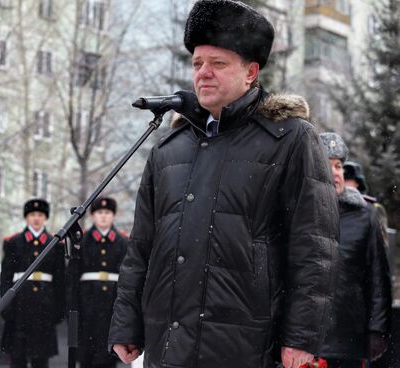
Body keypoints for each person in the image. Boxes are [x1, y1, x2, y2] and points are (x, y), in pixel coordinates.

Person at [107, 1, 339, 368]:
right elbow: (141, 248)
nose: (203, 74)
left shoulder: (290, 138)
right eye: (197, 64)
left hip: (248, 343)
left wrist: (302, 336)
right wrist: (126, 323)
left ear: (251, 72)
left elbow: (315, 248)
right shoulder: (169, 148)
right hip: (170, 344)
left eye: (218, 64)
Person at [318, 133, 392, 368]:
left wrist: (377, 329)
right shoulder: (295, 210)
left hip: (348, 338)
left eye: (339, 166)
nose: (336, 173)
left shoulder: (365, 215)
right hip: (304, 340)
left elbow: (378, 277)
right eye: (327, 165)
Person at [0, 199, 65, 368]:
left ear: (46, 218)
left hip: (45, 308)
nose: (36, 218)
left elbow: (60, 280)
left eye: (40, 215)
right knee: (17, 359)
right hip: (18, 307)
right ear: (26, 218)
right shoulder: (13, 242)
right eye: (32, 214)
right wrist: (5, 305)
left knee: (41, 360)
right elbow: (6, 277)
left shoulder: (55, 244)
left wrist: (59, 309)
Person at [76, 197, 128, 368]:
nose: (104, 216)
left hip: (112, 306)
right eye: (100, 213)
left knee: (108, 356)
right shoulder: (82, 241)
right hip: (87, 303)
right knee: (86, 355)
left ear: (113, 216)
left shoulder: (123, 242)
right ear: (92, 216)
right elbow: (73, 276)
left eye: (107, 213)